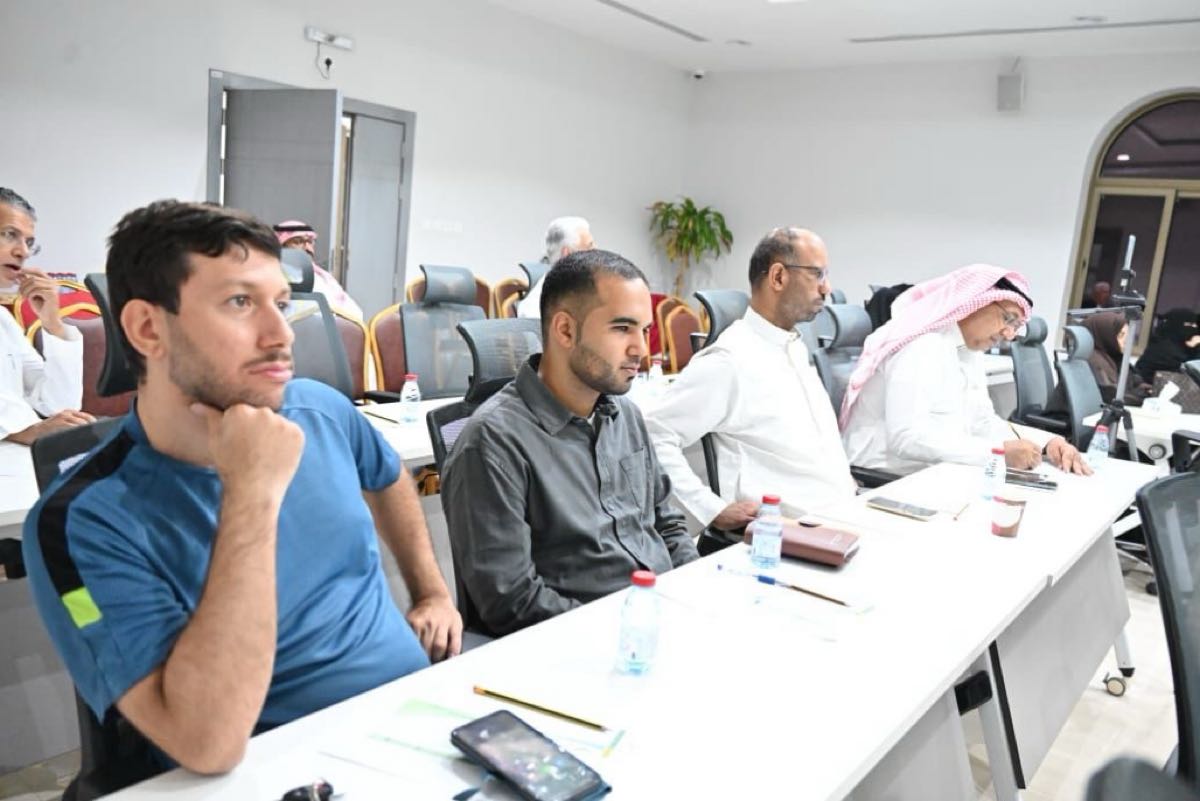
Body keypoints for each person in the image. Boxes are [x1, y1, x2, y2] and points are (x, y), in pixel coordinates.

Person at [23, 201, 461, 776]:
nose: (282, 335)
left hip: (415, 724)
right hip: (277, 768)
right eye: (239, 303)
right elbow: (207, 745)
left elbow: (388, 476)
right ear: (148, 328)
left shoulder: (321, 409)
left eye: (281, 303)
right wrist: (252, 493)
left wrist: (432, 593)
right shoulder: (77, 522)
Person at [441, 248, 698, 636]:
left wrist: (695, 593)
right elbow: (511, 601)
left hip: (661, 620)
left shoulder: (625, 416)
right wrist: (626, 629)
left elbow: (668, 524)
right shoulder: (493, 442)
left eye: (644, 331)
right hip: (582, 642)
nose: (641, 350)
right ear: (564, 331)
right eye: (622, 328)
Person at [645, 227, 855, 530]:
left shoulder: (793, 347)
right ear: (778, 277)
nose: (827, 288)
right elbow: (654, 434)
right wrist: (711, 509)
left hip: (841, 516)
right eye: (817, 274)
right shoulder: (729, 361)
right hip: (790, 532)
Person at [840, 264, 1091, 476]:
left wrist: (1047, 443)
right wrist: (998, 454)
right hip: (886, 478)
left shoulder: (969, 352)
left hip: (935, 472)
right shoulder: (921, 346)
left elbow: (982, 422)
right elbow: (907, 439)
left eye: (1016, 326)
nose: (1009, 334)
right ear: (973, 303)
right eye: (1008, 319)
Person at [0, 187, 93, 444]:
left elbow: (58, 405)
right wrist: (22, 432)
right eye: (9, 235)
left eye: (29, 243)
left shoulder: (4, 321)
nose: (23, 252)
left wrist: (53, 323)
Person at [273, 220, 365, 320]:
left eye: (310, 242)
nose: (308, 248)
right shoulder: (273, 275)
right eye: (298, 242)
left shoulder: (322, 277)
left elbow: (355, 313)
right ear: (281, 246)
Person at [517, 216, 594, 318]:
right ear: (568, 255)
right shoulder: (535, 310)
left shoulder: (589, 292)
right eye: (589, 247)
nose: (595, 252)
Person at [1080, 311, 1149, 405]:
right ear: (1106, 335)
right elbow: (1111, 396)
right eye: (1121, 335)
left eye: (1127, 335)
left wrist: (1144, 388)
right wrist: (1142, 398)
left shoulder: (1115, 357)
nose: (1126, 341)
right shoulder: (1093, 361)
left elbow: (1134, 381)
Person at [1134, 308, 1200, 386]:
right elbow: (1188, 372)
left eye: (1195, 325)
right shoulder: (1162, 350)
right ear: (1176, 325)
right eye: (1190, 325)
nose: (1194, 328)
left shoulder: (1182, 348)